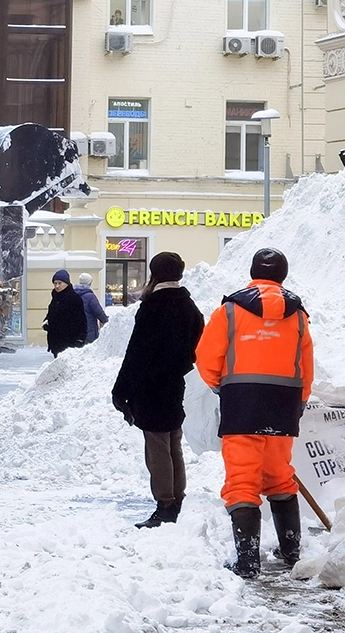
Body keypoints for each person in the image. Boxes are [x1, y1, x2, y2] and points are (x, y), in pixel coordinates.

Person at [195, 248, 314, 579]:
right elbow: (306, 366)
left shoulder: (230, 310)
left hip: (242, 403)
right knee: (279, 474)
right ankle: (291, 550)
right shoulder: (299, 315)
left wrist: (223, 387)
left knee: (242, 479)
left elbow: (206, 357)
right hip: (283, 403)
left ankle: (248, 561)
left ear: (252, 273)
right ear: (283, 275)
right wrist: (298, 401)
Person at [111, 252, 205, 528]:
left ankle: (165, 506)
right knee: (172, 442)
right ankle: (178, 499)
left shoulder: (152, 306)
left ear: (155, 273)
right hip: (175, 384)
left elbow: (136, 352)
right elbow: (198, 344)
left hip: (150, 387)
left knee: (157, 447)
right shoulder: (189, 306)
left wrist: (121, 389)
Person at [43, 269, 87, 357]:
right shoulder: (55, 298)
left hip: (69, 341)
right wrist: (47, 322)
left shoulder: (74, 299)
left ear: (67, 283)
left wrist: (80, 339)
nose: (57, 286)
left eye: (60, 283)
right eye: (55, 283)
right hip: (56, 341)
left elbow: (81, 320)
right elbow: (51, 314)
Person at [75, 273, 109, 344]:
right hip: (89, 330)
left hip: (76, 330)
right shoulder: (90, 296)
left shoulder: (73, 295)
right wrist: (107, 320)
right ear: (90, 282)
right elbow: (98, 312)